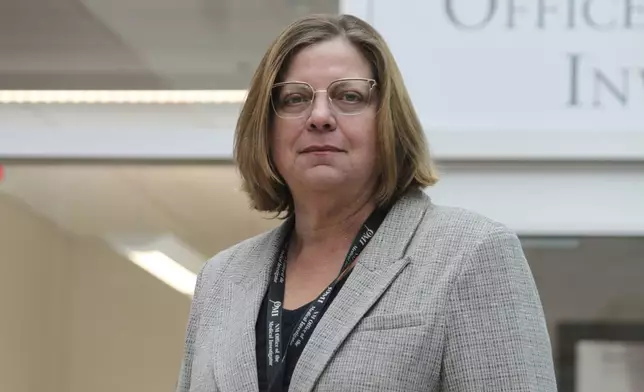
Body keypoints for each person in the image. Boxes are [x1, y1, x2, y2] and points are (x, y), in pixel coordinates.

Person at [176, 13, 557, 392]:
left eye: (349, 96)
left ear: (387, 120)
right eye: (295, 98)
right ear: (267, 127)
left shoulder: (470, 253)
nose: (320, 116)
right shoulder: (221, 279)